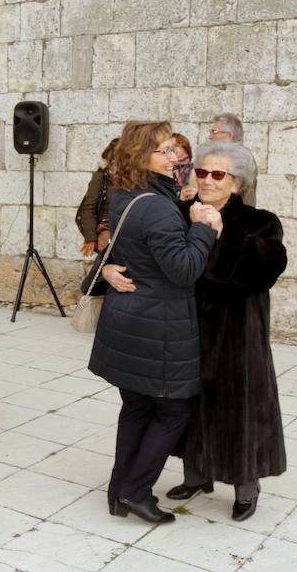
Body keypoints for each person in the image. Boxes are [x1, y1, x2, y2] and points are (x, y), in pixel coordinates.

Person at [90, 121, 220, 524]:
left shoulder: (128, 196)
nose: (174, 157)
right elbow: (183, 270)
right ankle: (135, 491)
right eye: (163, 151)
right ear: (140, 157)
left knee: (136, 407)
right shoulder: (159, 207)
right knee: (171, 412)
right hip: (158, 327)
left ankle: (118, 490)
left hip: (132, 321)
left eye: (173, 150)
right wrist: (204, 229)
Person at [167, 141, 286, 522]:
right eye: (201, 172)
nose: (207, 180)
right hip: (188, 328)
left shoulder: (260, 221)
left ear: (236, 183)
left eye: (217, 174)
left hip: (238, 333)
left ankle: (246, 487)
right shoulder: (181, 213)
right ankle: (196, 474)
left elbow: (261, 272)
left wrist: (219, 234)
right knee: (190, 404)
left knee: (240, 407)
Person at [76, 138, 117, 255]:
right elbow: (88, 208)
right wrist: (91, 238)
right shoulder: (100, 178)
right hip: (107, 228)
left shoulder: (132, 178)